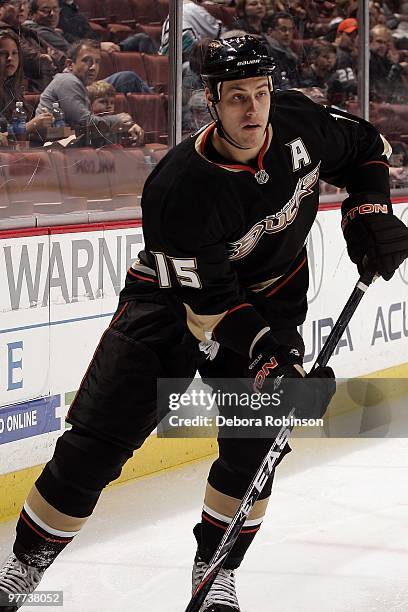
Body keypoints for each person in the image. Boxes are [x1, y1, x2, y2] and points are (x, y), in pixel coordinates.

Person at [1, 35, 408, 612]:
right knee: (96, 443)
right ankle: (23, 568)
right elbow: (208, 308)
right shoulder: (178, 189)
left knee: (255, 445)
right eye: (236, 97)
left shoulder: (300, 122)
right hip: (169, 306)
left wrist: (369, 210)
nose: (253, 110)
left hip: (270, 301)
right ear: (211, 103)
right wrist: (271, 359)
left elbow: (367, 145)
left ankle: (214, 570)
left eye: (261, 94)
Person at [36, 39, 144, 143]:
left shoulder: (76, 84)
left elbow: (80, 131)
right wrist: (119, 121)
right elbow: (85, 124)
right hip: (53, 150)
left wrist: (124, 127)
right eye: (87, 61)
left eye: (97, 62)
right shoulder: (67, 81)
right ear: (70, 64)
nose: (93, 67)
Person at [0, 29, 53, 138]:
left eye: (14, 53)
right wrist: (31, 125)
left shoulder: (13, 89)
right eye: (3, 54)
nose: (10, 58)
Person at [369, 24, 407, 102]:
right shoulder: (368, 59)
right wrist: (396, 67)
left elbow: (400, 90)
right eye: (379, 41)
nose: (383, 46)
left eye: (385, 43)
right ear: (370, 42)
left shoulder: (384, 59)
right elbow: (382, 90)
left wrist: (394, 64)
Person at [263, 11, 301, 89]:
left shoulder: (290, 54)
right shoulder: (265, 51)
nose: (287, 33)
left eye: (290, 30)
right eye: (283, 29)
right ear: (270, 31)